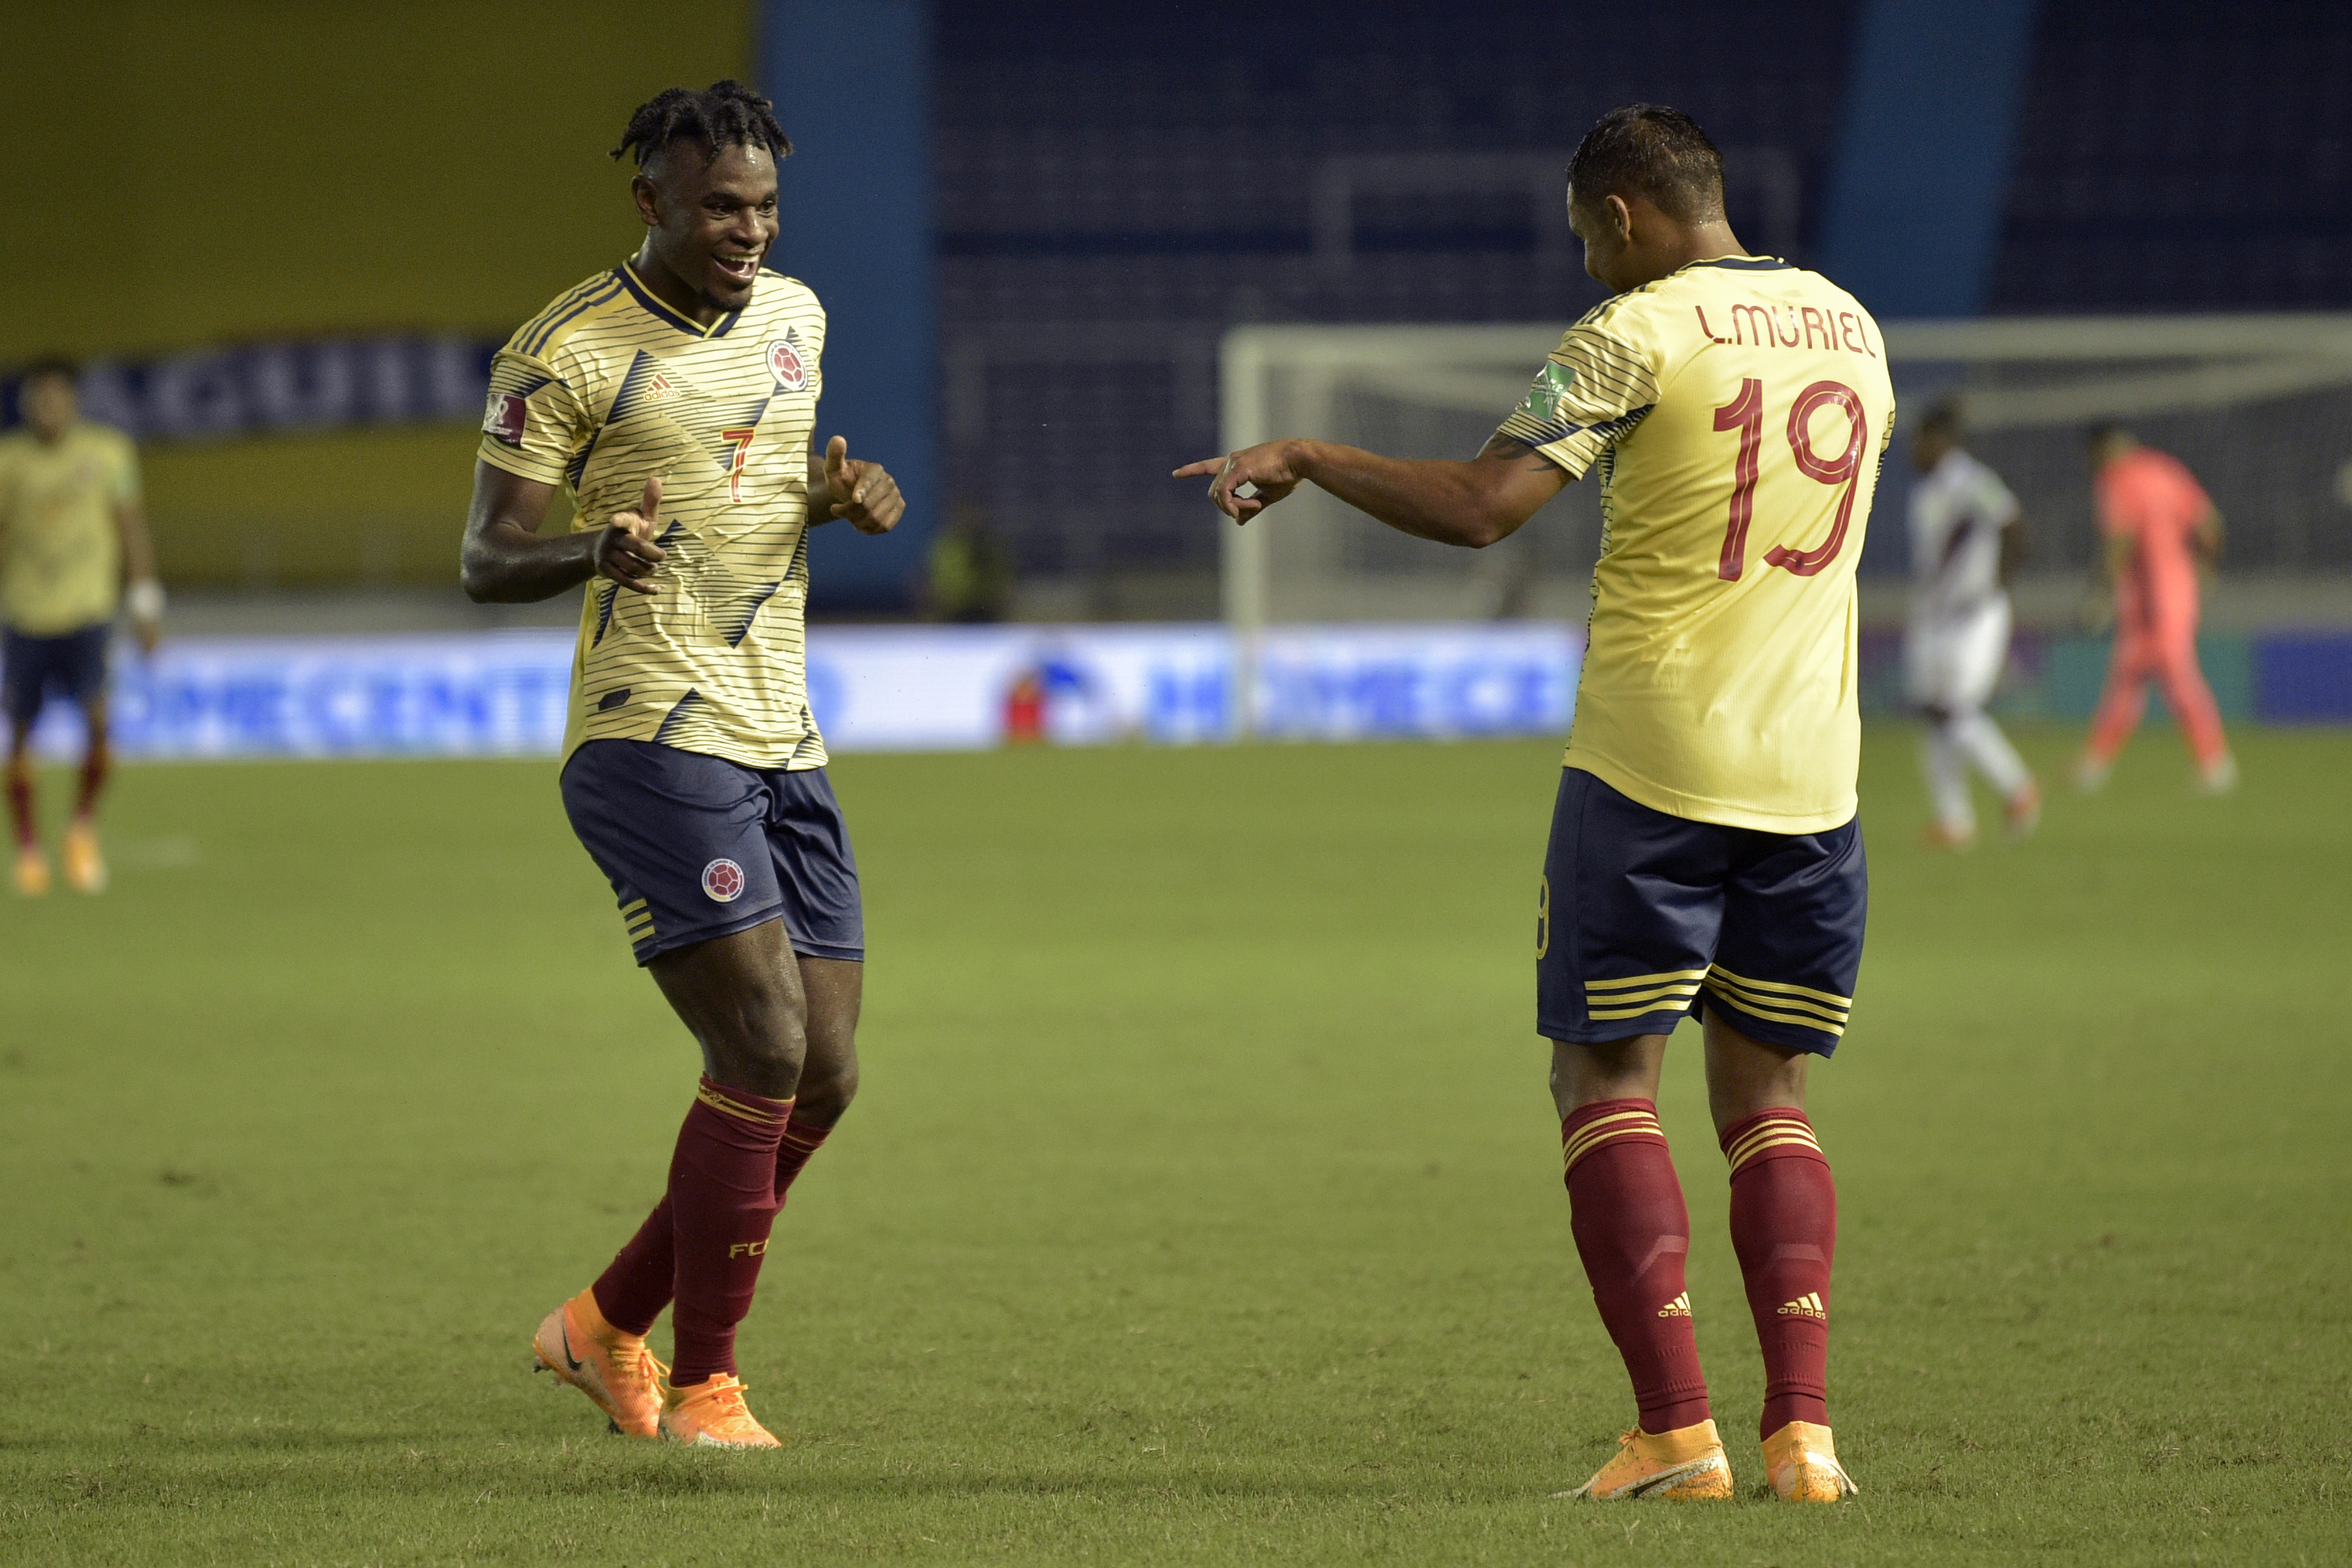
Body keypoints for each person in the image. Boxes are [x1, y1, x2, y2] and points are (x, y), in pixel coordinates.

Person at [1177, 104, 1890, 1503]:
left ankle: (1675, 1434)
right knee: (1769, 1097)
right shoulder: (1849, 328)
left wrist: (1309, 457)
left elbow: (1481, 503)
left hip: (1649, 767)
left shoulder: (1633, 332)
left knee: (1605, 1081)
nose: (1583, 266)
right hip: (1813, 775)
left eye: (1583, 238)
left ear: (1620, 214)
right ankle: (1802, 1437)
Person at [458, 81, 905, 1450]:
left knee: (822, 1075)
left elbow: (755, 493)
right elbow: (484, 559)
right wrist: (594, 547)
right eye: (719, 207)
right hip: (649, 732)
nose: (748, 232)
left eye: (764, 207)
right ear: (649, 200)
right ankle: (710, 1386)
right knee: (760, 1041)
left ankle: (598, 1328)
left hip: (782, 730)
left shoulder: (799, 318)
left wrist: (835, 502)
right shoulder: (569, 352)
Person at [0, 359, 164, 897]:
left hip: (89, 611)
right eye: (38, 400)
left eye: (57, 398)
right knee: (21, 732)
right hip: (25, 612)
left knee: (99, 722)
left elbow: (130, 523)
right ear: (27, 406)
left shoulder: (109, 452)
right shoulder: (9, 461)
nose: (49, 409)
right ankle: (27, 846)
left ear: (73, 402)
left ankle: (80, 827)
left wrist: (144, 600)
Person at [1904, 401, 2039, 847]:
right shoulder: (1927, 490)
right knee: (1934, 714)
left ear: (1939, 440)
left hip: (1975, 613)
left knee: (1955, 711)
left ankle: (2017, 786)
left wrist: (2001, 582)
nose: (1913, 449)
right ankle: (1954, 820)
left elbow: (2013, 522)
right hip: (1935, 616)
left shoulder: (1971, 481)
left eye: (1920, 439)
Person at [2077, 425, 2234, 792]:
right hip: (2178, 587)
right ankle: (2096, 762)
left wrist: (2100, 594)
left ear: (2104, 449)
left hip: (2151, 595)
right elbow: (2211, 524)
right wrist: (2206, 571)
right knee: (2128, 674)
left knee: (2176, 675)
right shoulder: (2167, 469)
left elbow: (2121, 538)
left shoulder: (2118, 479)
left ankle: (2215, 763)